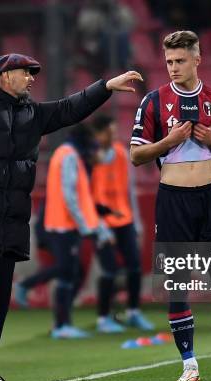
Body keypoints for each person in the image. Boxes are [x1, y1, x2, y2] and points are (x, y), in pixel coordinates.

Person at [0, 52, 142, 381]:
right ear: (1, 76)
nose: (31, 78)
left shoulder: (30, 113)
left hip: (11, 220)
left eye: (32, 73)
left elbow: (69, 108)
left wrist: (105, 87)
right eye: (24, 73)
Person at [129, 31, 211, 381]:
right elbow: (136, 155)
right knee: (177, 284)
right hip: (172, 201)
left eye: (180, 60)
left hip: (209, 198)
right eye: (169, 61)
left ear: (197, 59)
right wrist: (168, 141)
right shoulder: (154, 102)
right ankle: (189, 365)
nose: (173, 68)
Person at [42, 124, 115, 338]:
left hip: (62, 222)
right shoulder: (70, 156)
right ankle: (62, 325)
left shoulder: (65, 153)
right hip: (64, 224)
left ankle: (62, 324)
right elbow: (70, 194)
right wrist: (83, 225)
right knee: (67, 274)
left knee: (70, 273)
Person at [90, 114, 154, 333]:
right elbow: (86, 194)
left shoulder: (119, 153)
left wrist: (136, 221)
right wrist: (97, 225)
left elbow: (129, 189)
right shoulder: (89, 158)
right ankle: (103, 318)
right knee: (108, 271)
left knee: (134, 267)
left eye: (114, 131)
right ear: (97, 134)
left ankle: (134, 312)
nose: (113, 136)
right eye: (108, 132)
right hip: (101, 222)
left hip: (124, 219)